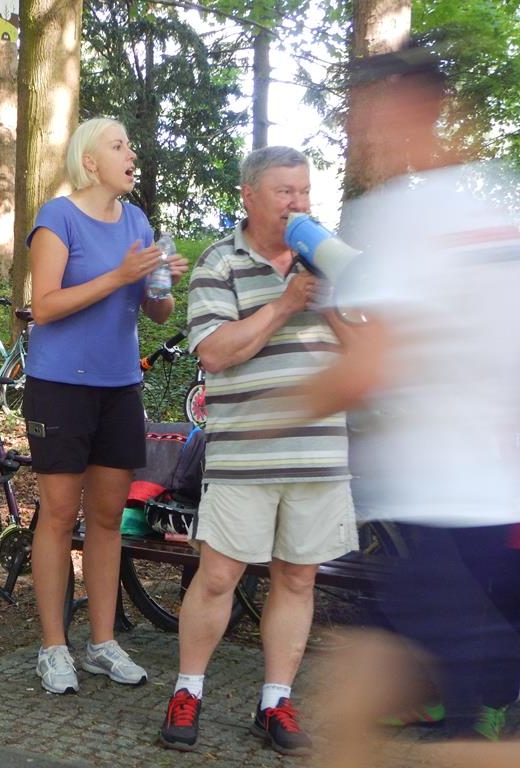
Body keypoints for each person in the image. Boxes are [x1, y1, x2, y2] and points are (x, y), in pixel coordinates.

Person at [294, 42, 520, 767]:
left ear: (404, 105)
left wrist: (278, 411)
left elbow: (368, 368)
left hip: (445, 509)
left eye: (365, 113)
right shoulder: (499, 205)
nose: (360, 130)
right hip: (488, 508)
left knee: (374, 715)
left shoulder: (403, 214)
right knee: (369, 706)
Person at [160, 146, 357, 756]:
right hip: (245, 454)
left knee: (297, 578)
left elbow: (369, 349)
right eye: (284, 192)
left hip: (318, 453)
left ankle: (275, 702)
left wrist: (331, 304)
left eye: (304, 191)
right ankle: (188, 690)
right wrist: (286, 303)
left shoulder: (331, 257)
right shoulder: (220, 261)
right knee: (219, 575)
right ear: (249, 196)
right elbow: (215, 352)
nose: (298, 203)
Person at [23, 117, 187, 695]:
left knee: (108, 518)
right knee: (58, 514)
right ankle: (52, 647)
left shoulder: (137, 222)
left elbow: (157, 311)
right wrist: (120, 274)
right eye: (118, 145)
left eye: (130, 145)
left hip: (120, 386)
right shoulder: (57, 217)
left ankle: (102, 642)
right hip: (59, 386)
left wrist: (159, 282)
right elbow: (44, 307)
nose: (131, 153)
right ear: (89, 161)